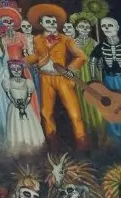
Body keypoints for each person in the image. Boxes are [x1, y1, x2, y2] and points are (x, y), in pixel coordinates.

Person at [25, 4, 88, 149]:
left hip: (62, 78)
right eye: (48, 22)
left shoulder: (65, 39)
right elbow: (36, 56)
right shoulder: (37, 39)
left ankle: (82, 144)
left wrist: (71, 68)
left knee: (74, 113)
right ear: (41, 24)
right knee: (46, 113)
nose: (52, 24)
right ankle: (53, 145)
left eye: (54, 22)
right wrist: (23, 61)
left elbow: (81, 56)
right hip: (45, 78)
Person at [71, 14, 103, 139]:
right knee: (82, 99)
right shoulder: (72, 42)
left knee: (95, 98)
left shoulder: (94, 42)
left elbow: (99, 58)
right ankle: (88, 130)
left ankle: (99, 129)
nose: (84, 29)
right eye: (81, 26)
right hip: (79, 73)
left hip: (92, 72)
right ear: (77, 28)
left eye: (87, 27)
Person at [2, 61, 46, 154]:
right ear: (10, 70)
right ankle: (18, 149)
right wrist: (17, 104)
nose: (16, 71)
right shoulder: (7, 82)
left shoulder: (27, 82)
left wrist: (24, 105)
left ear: (22, 70)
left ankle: (32, 147)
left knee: (28, 125)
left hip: (27, 107)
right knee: (16, 126)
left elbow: (29, 96)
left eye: (18, 69)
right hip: (14, 108)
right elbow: (9, 95)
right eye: (13, 69)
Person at [90, 17, 121, 143]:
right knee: (111, 107)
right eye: (104, 26)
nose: (107, 28)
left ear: (117, 27)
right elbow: (92, 61)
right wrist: (93, 78)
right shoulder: (101, 46)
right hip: (108, 80)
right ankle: (115, 137)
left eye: (110, 25)